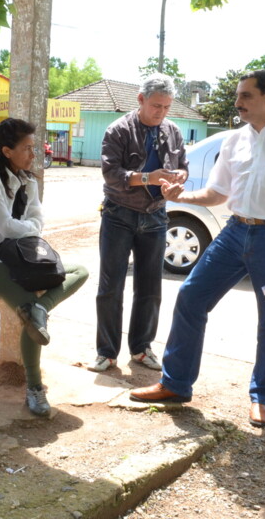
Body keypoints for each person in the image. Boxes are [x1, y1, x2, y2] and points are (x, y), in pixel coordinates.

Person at [130, 70, 265, 428]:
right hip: (235, 231)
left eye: (246, 96)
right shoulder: (235, 140)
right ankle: (176, 384)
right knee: (191, 296)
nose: (238, 103)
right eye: (239, 96)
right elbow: (218, 194)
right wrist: (183, 196)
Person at [0, 118, 89, 416]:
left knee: (79, 271)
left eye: (34, 148)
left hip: (20, 257)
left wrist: (30, 227)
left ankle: (40, 308)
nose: (34, 154)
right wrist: (30, 227)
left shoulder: (26, 179)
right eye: (28, 148)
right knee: (32, 322)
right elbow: (6, 227)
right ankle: (34, 389)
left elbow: (37, 219)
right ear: (7, 151)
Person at [89, 73, 189, 373]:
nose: (161, 112)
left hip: (156, 215)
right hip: (119, 214)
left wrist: (179, 178)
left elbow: (182, 165)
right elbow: (111, 175)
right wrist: (149, 177)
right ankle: (106, 353)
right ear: (141, 100)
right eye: (157, 105)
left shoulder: (172, 131)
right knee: (111, 286)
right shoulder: (118, 130)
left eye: (167, 107)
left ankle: (142, 348)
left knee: (150, 287)